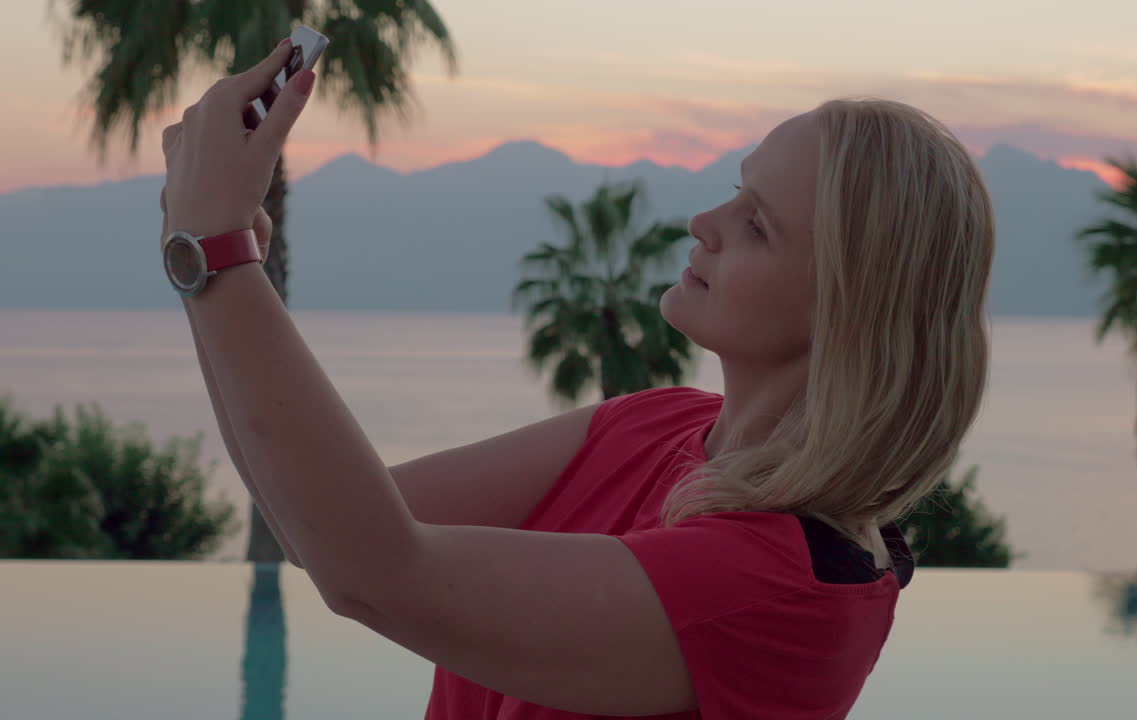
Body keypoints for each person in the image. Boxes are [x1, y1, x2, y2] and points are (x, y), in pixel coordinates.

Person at [162, 41, 993, 720]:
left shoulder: (783, 589)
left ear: (848, 306)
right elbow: (318, 526)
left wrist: (217, 253)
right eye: (734, 194)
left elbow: (375, 574)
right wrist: (214, 259)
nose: (703, 225)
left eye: (757, 225)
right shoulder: (660, 425)